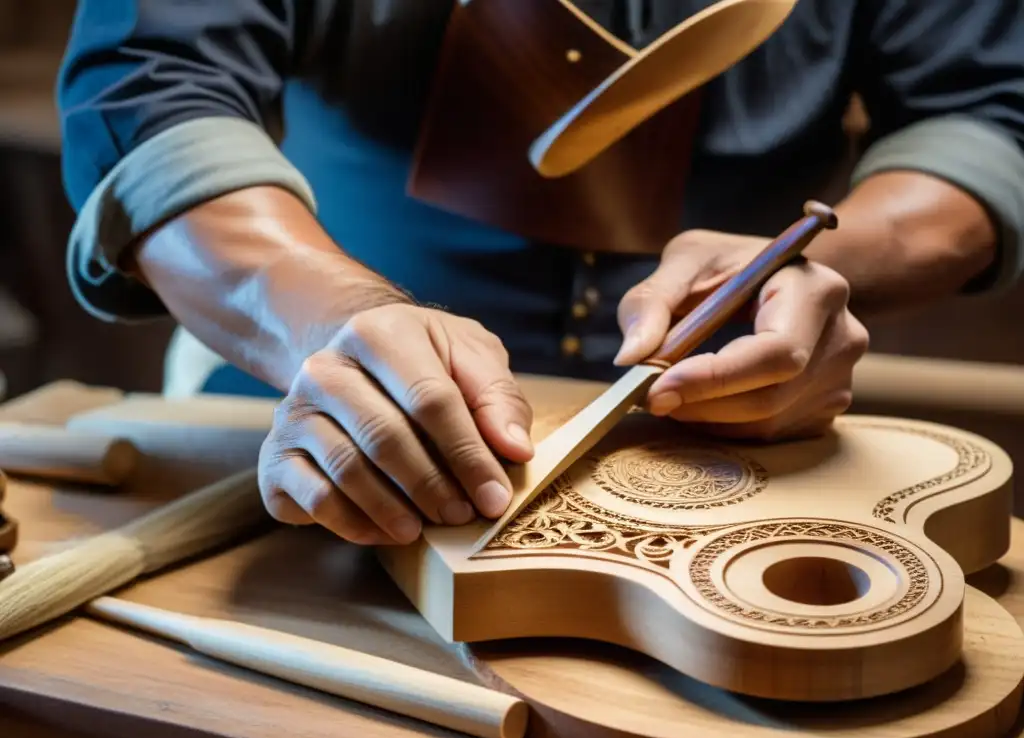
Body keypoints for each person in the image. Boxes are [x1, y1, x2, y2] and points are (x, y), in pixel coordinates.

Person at [58, 1, 1024, 546]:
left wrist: (807, 271)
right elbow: (149, 84)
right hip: (314, 439)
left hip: (733, 461)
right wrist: (327, 315)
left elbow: (989, 113)